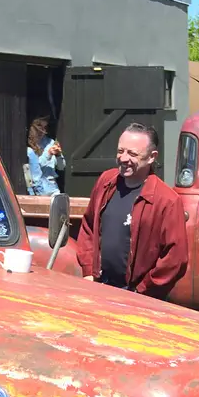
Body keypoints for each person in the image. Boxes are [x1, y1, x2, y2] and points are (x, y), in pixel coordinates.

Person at [74, 123, 188, 299]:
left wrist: (142, 291)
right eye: (120, 151)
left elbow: (175, 259)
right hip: (99, 288)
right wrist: (89, 271)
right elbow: (89, 227)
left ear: (152, 157)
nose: (123, 158)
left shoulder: (167, 201)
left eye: (132, 154)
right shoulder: (106, 182)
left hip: (140, 297)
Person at [25, 118, 63, 196]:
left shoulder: (51, 142)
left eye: (45, 127)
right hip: (40, 189)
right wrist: (48, 154)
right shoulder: (29, 145)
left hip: (53, 188)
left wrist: (58, 155)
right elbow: (35, 167)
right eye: (39, 126)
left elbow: (61, 167)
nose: (42, 131)